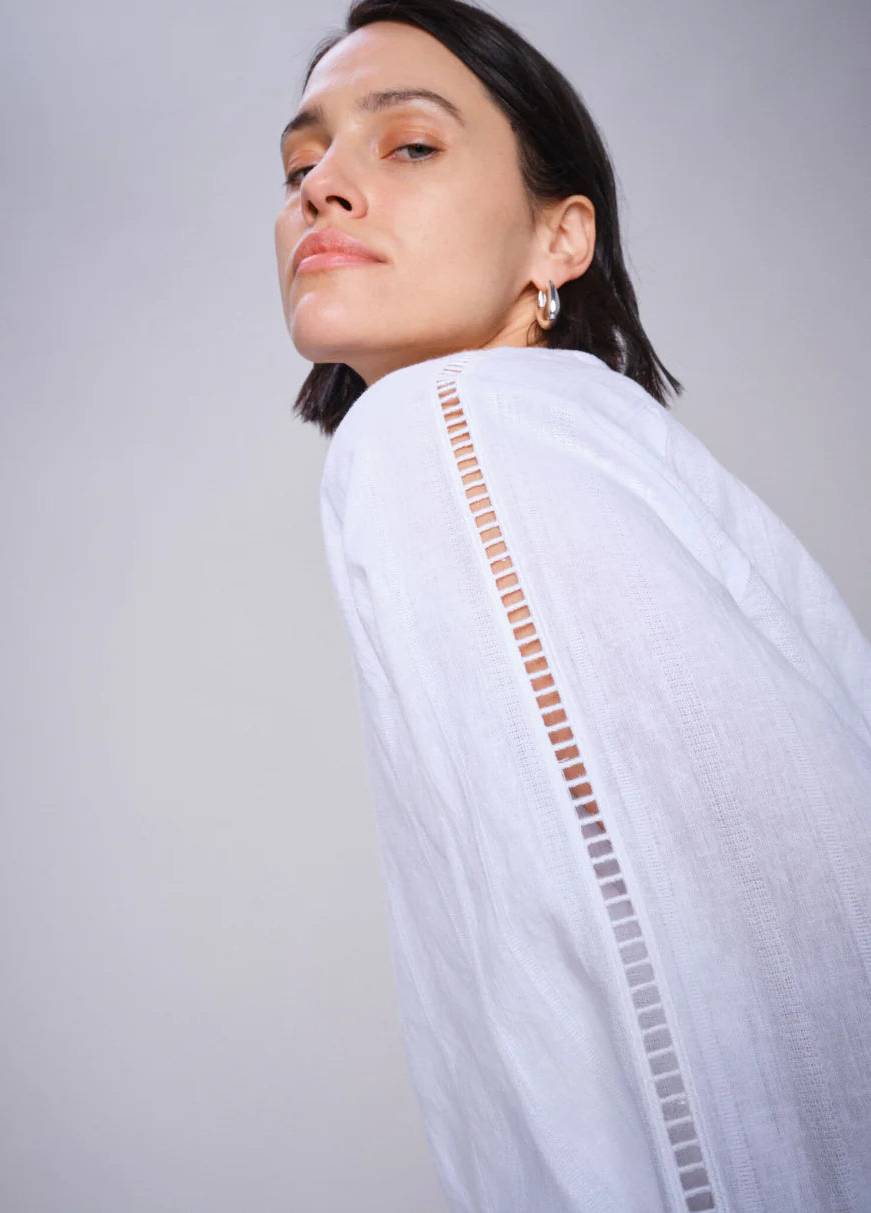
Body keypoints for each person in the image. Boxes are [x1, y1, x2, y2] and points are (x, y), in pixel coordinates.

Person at [273, 2, 871, 1209]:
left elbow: (644, 985)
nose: (320, 188)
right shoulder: (602, 444)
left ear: (560, 237)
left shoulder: (438, 432)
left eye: (408, 145)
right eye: (298, 165)